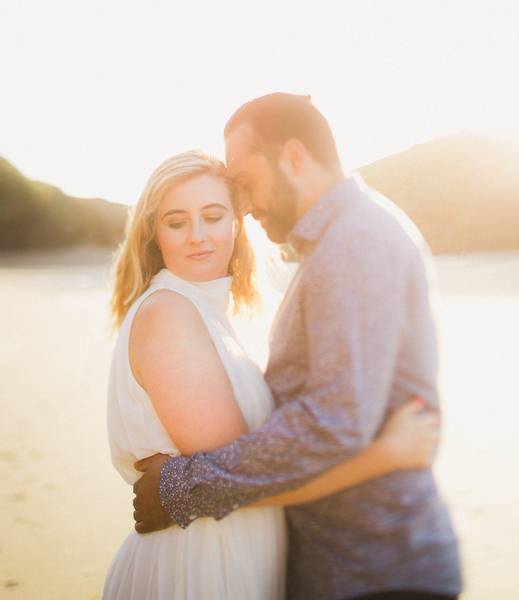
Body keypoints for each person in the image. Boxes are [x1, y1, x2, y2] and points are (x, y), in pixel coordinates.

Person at [131, 93, 462, 599]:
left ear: (292, 157)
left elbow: (330, 423)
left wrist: (183, 487)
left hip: (378, 570)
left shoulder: (355, 242)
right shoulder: (341, 240)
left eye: (244, 183)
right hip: (356, 566)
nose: (242, 204)